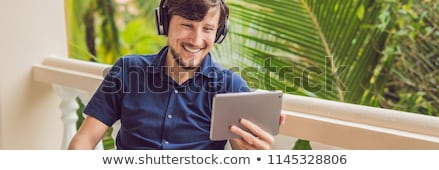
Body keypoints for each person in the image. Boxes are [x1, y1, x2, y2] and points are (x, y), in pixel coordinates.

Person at [68, 0, 285, 150]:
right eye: (187, 25)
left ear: (219, 33)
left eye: (207, 29)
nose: (196, 39)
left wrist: (253, 153)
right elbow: (84, 140)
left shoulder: (230, 86)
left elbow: (244, 156)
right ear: (165, 24)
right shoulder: (127, 70)